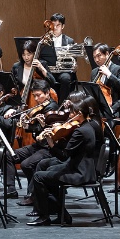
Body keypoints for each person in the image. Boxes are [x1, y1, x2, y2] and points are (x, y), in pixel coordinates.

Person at [28, 95, 100, 227]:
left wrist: (51, 143)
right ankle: (63, 214)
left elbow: (64, 156)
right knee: (50, 170)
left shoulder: (80, 132)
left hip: (80, 173)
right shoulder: (88, 127)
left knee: (38, 177)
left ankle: (44, 216)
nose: (69, 115)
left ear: (79, 114)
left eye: (72, 112)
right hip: (85, 169)